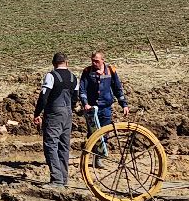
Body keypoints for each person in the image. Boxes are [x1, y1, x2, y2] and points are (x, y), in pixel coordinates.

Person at [34, 52, 80, 187]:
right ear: (67, 63)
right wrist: (69, 110)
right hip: (68, 113)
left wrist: (37, 113)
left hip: (54, 114)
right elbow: (75, 98)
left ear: (53, 63)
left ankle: (56, 180)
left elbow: (44, 97)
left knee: (51, 144)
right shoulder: (73, 77)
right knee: (64, 146)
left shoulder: (51, 76)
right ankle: (63, 179)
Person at [78, 51, 129, 158]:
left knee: (104, 132)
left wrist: (124, 104)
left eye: (96, 61)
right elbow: (82, 90)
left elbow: (117, 89)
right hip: (91, 109)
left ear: (102, 60)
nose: (94, 63)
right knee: (92, 133)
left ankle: (99, 157)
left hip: (106, 108)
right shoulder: (87, 72)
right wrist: (85, 103)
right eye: (92, 61)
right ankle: (90, 156)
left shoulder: (110, 71)